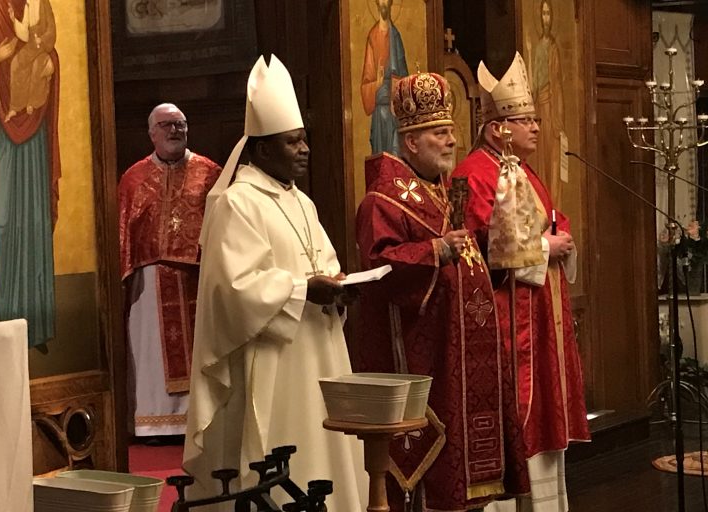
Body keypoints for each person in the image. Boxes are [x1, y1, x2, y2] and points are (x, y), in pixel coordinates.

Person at [183, 55, 366, 511]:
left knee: (327, 446)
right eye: (292, 141)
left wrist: (340, 287)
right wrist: (307, 290)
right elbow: (236, 288)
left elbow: (321, 259)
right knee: (289, 445)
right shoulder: (237, 203)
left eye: (305, 140)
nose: (304, 149)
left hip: (319, 349)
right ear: (262, 149)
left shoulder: (301, 201)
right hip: (274, 360)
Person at [354, 71, 529, 512]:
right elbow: (379, 267)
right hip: (425, 359)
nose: (452, 141)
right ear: (411, 142)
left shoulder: (442, 193)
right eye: (440, 133)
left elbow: (468, 257)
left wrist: (500, 243)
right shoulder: (384, 199)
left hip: (466, 355)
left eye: (452, 132)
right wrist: (434, 250)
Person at [453, 53, 590, 512]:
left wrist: (558, 240)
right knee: (518, 414)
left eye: (534, 118)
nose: (535, 127)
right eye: (525, 119)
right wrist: (546, 249)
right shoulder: (475, 174)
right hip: (508, 321)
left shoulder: (522, 172)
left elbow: (549, 223)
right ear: (497, 128)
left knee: (545, 423)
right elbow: (480, 250)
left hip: (541, 316)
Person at [118, 103, 221, 437]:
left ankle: (199, 420)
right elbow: (122, 231)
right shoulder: (133, 178)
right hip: (149, 281)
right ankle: (153, 425)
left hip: (198, 277)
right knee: (150, 352)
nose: (174, 130)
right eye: (166, 125)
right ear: (151, 133)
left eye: (180, 124)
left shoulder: (209, 173)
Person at [0, 0, 61, 348]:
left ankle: (37, 328)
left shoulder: (39, 2)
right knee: (5, 219)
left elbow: (51, 47)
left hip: (34, 123)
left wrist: (45, 60)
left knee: (35, 217)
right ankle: (4, 326)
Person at [360, 0, 408, 155]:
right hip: (380, 108)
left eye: (386, 0)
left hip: (396, 106)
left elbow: (404, 73)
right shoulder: (373, 37)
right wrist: (377, 83)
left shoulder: (396, 36)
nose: (383, 4)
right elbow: (366, 80)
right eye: (381, 0)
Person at [529, 0, 565, 204]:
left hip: (551, 107)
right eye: (543, 14)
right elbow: (534, 82)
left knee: (552, 158)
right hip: (539, 108)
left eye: (548, 14)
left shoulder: (553, 48)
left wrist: (558, 118)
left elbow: (558, 83)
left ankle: (553, 203)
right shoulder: (537, 48)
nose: (546, 19)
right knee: (540, 160)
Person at [5, 0, 56, 122]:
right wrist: (13, 19)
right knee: (16, 63)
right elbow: (25, 33)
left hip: (42, 46)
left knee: (37, 66)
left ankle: (33, 102)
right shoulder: (28, 5)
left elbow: (52, 29)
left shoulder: (44, 3)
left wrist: (42, 40)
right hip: (31, 45)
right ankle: (15, 106)